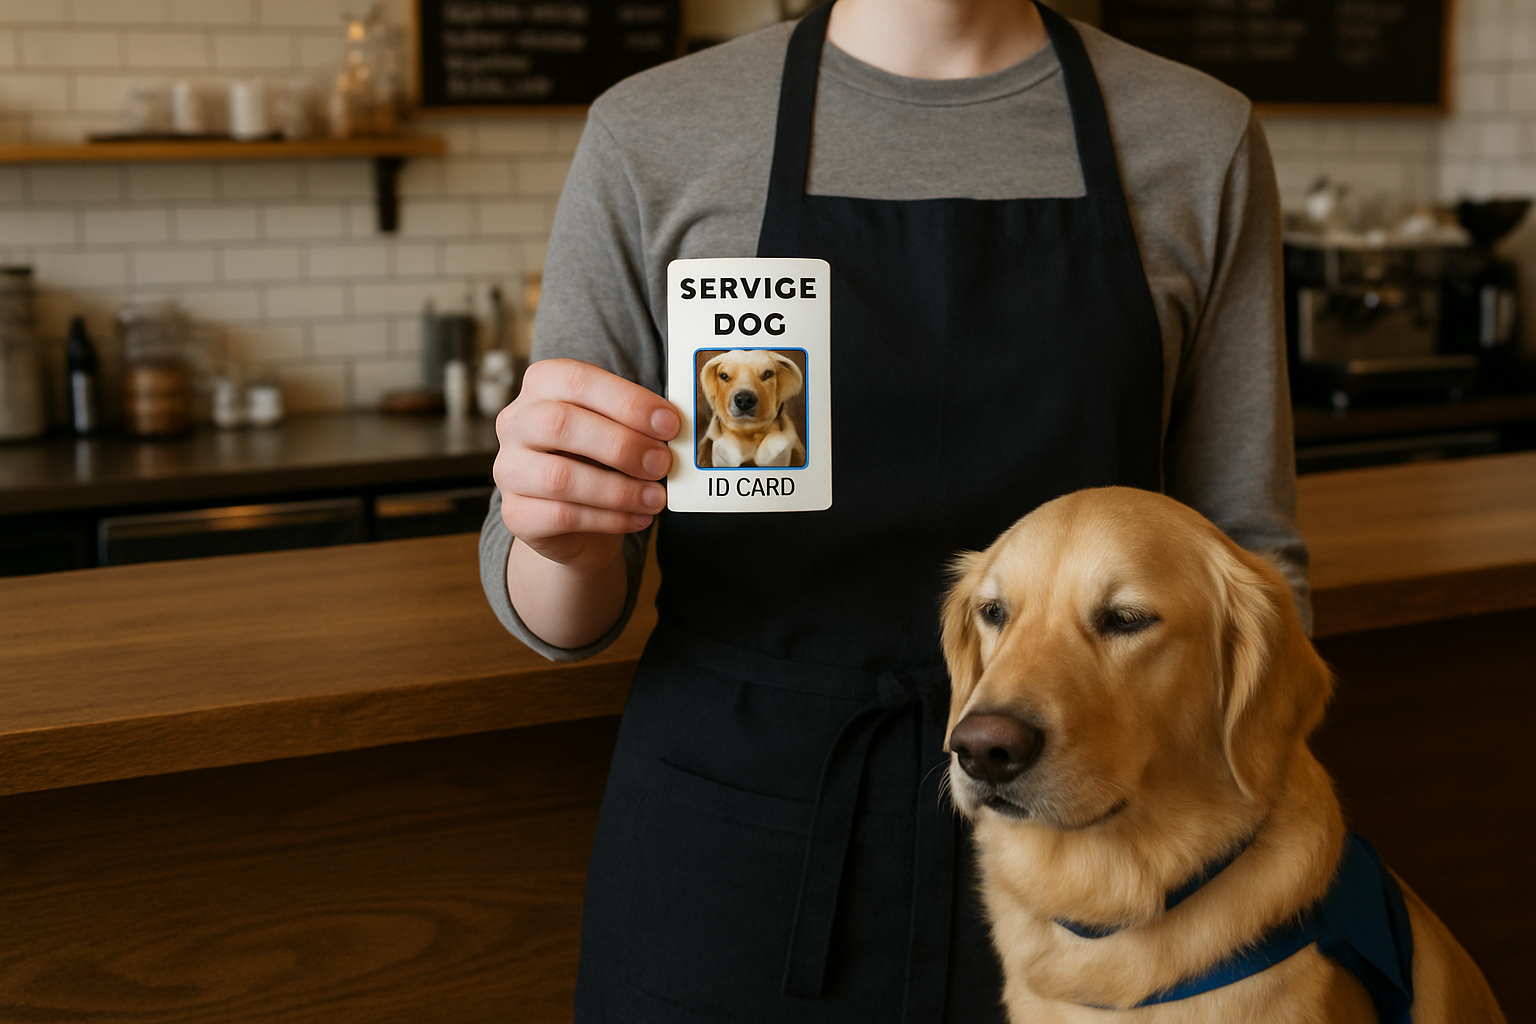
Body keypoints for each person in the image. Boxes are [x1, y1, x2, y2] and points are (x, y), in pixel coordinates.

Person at [480, 0, 1307, 1020]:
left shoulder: (1196, 134)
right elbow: (561, 610)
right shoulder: (650, 133)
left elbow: (1253, 563)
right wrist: (561, 531)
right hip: (739, 833)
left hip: (1097, 871)